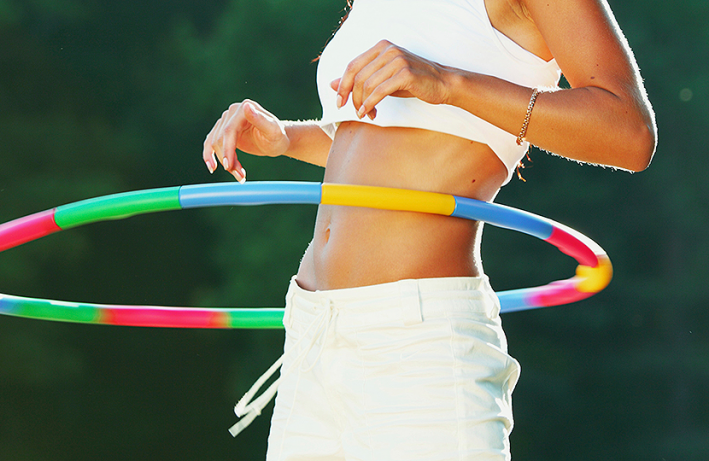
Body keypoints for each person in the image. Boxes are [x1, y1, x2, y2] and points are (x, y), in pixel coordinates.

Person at [203, 0, 656, 459]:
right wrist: (285, 138)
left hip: (420, 345)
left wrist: (447, 83)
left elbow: (629, 132)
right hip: (313, 332)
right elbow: (384, 139)